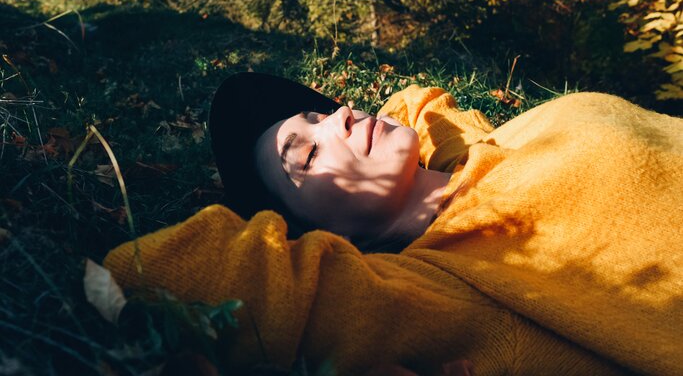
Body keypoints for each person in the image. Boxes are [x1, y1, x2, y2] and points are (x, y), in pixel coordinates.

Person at [104, 72, 683, 376]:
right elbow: (160, 266)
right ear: (323, 236)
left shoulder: (485, 143)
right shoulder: (454, 286)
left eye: (320, 114)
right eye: (306, 156)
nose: (340, 118)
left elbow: (418, 106)